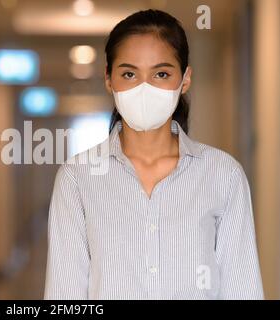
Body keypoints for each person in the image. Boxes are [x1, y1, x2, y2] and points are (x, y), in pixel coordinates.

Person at [43, 9, 264, 300]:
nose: (144, 87)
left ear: (185, 80)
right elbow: (64, 294)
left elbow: (242, 290)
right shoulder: (77, 178)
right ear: (109, 80)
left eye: (161, 74)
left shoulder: (224, 175)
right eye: (129, 74)